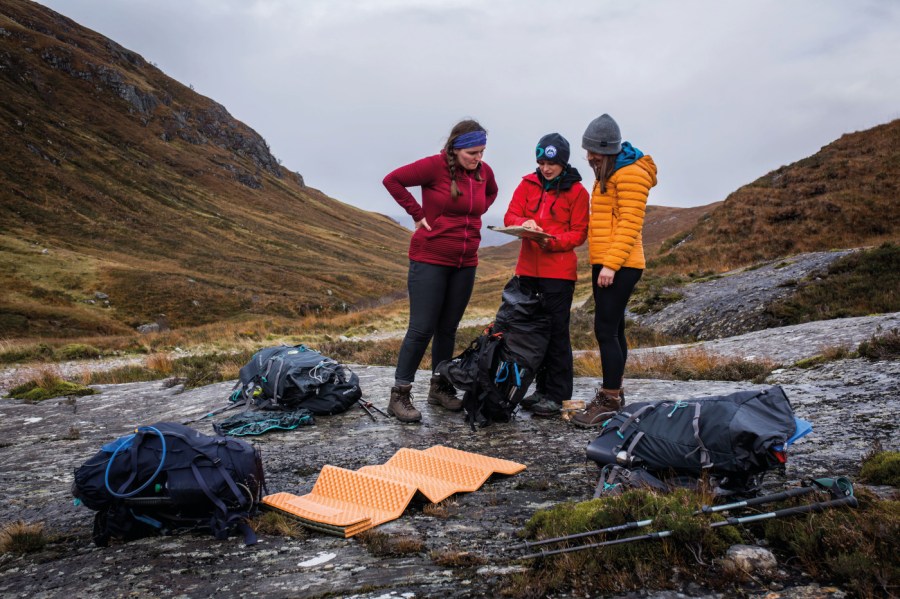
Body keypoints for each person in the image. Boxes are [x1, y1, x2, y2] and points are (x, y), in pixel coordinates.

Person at [382, 119, 498, 423]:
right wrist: (417, 214)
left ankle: (440, 386)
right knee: (422, 328)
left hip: (466, 262)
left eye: (482, 152)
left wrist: (476, 212)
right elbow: (392, 180)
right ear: (456, 148)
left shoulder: (484, 173)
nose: (478, 159)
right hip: (430, 258)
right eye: (472, 153)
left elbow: (490, 194)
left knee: (448, 328)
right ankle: (400, 394)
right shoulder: (434, 167)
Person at [572, 114, 657, 428]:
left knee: (605, 330)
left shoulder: (630, 174)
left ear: (607, 149)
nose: (589, 157)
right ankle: (614, 394)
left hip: (619, 264)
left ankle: (608, 401)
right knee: (614, 329)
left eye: (593, 152)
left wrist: (610, 264)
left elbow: (630, 224)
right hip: (608, 262)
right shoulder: (609, 171)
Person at [503, 133, 589, 417]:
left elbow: (578, 233)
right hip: (527, 271)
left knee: (556, 335)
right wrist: (523, 223)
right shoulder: (527, 183)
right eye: (541, 162)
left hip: (558, 275)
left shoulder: (577, 192)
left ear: (563, 162)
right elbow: (510, 216)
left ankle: (557, 394)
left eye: (551, 163)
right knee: (531, 335)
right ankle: (540, 390)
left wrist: (551, 242)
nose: (545, 168)